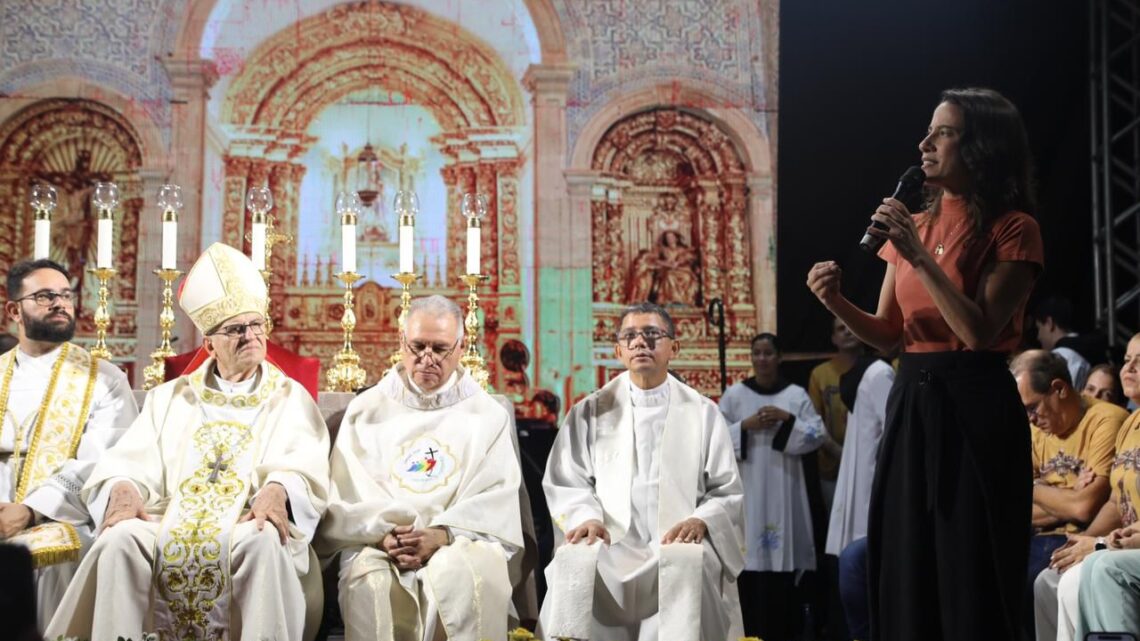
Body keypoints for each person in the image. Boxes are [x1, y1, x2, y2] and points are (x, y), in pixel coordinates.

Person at [806, 87, 1044, 640]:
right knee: (905, 556)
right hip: (913, 398)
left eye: (943, 132)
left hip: (975, 405)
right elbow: (890, 334)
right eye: (929, 130)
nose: (924, 143)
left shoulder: (1014, 228)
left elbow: (979, 330)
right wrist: (835, 300)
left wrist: (916, 253)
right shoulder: (913, 224)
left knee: (969, 563)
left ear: (981, 146)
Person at [46, 243, 330, 641]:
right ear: (209, 343)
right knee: (119, 540)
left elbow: (305, 463)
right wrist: (123, 489)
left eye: (256, 325)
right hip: (168, 521)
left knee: (265, 542)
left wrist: (280, 489)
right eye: (235, 329)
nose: (250, 336)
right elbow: (129, 461)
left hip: (246, 522)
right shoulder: (170, 398)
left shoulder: (289, 396)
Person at [317, 295, 525, 641]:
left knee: (465, 573)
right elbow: (346, 495)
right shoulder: (366, 410)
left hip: (459, 540)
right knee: (371, 580)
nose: (426, 358)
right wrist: (385, 535)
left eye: (440, 348)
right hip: (380, 544)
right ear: (402, 343)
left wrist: (442, 535)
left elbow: (495, 499)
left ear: (461, 348)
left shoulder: (487, 416)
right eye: (417, 346)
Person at [540, 302, 744, 641]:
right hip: (609, 540)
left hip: (677, 538)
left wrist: (702, 520)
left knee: (692, 565)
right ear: (619, 350)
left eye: (652, 334)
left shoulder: (703, 413)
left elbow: (725, 489)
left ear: (673, 348)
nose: (640, 343)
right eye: (630, 336)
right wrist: (586, 518)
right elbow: (567, 480)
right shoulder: (590, 411)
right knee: (573, 564)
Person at [0, 258, 137, 630]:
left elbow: (107, 460)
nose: (60, 303)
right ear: (14, 309)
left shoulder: (104, 380)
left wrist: (29, 511)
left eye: (65, 295)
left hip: (58, 516)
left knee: (48, 555)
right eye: (45, 296)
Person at [1012, 349, 1125, 639]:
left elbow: (1085, 507)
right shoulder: (1035, 430)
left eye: (1033, 407)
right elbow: (1012, 508)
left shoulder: (1105, 419)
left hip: (1081, 536)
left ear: (1059, 389)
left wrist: (1033, 487)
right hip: (1037, 537)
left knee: (1033, 583)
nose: (1031, 418)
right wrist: (1065, 493)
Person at [718, 332, 825, 641]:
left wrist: (787, 419)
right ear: (751, 358)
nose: (762, 359)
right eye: (757, 353)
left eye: (768, 353)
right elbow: (715, 436)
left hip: (785, 487)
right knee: (749, 569)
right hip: (749, 486)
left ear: (779, 358)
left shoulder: (794, 395)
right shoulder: (735, 395)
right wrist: (745, 427)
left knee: (783, 577)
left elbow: (817, 434)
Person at [1035, 333, 1140, 641]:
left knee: (1099, 569)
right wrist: (1088, 539)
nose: (1129, 368)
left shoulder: (1112, 419)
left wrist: (1099, 544)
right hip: (1122, 541)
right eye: (1126, 360)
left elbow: (1083, 505)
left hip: (1126, 547)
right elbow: (1114, 503)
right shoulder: (1131, 424)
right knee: (1050, 579)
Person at [808, 318, 863, 503]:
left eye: (851, 327)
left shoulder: (877, 370)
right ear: (834, 338)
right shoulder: (820, 374)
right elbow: (814, 421)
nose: (848, 332)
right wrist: (837, 450)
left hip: (869, 461)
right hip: (831, 463)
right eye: (841, 329)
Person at [1035, 296, 1093, 391]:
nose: (1038, 337)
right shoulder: (1089, 350)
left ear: (1049, 323)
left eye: (1039, 328)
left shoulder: (1059, 357)